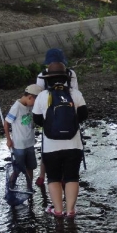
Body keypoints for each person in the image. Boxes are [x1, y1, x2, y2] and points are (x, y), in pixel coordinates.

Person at [33, 62, 88, 218]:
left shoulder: (43, 96)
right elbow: (83, 115)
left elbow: (37, 119)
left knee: (54, 178)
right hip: (74, 144)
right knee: (72, 177)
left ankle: (58, 210)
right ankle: (71, 210)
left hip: (51, 146)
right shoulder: (75, 94)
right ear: (65, 78)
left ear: (48, 79)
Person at [35, 48, 79, 189]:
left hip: (50, 116)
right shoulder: (71, 73)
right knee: (71, 147)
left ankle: (44, 176)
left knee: (47, 147)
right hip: (69, 114)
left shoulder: (41, 75)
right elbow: (75, 92)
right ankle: (68, 177)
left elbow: (39, 96)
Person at [3, 84, 43, 192]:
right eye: (35, 101)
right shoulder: (16, 107)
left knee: (30, 167)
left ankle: (29, 187)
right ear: (30, 97)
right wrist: (8, 139)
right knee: (18, 168)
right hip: (19, 145)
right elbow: (6, 123)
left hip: (30, 143)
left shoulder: (29, 106)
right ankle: (11, 186)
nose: (35, 104)